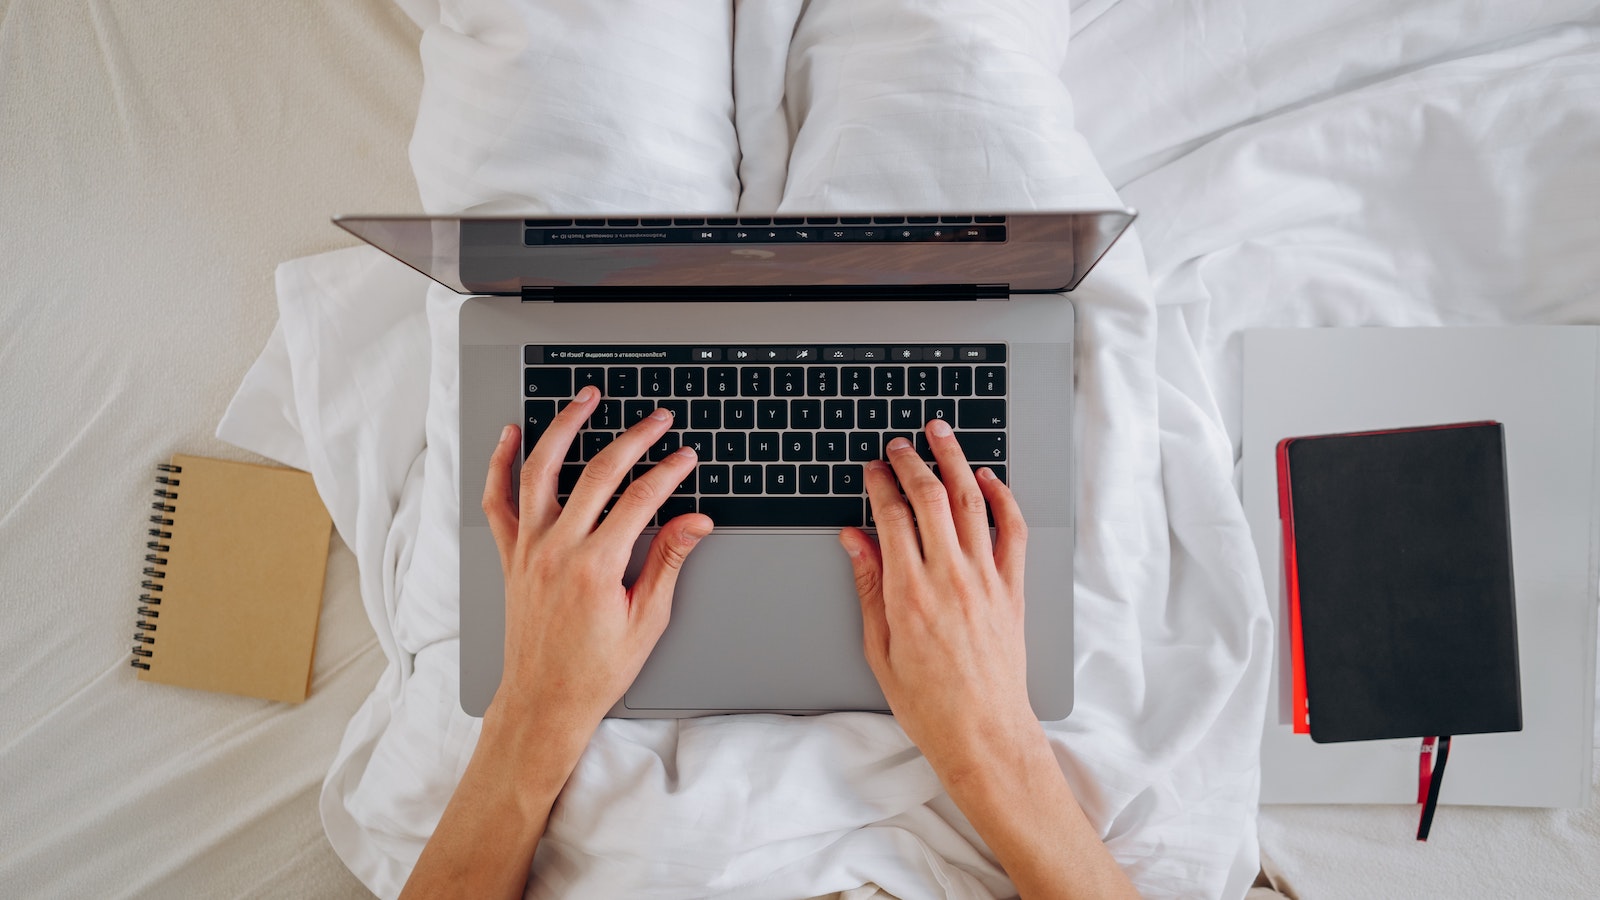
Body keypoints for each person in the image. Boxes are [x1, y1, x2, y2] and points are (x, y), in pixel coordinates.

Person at [400, 385, 1136, 899]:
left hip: (572, 780)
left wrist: (537, 701)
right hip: (979, 760)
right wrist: (985, 733)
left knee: (570, 199)